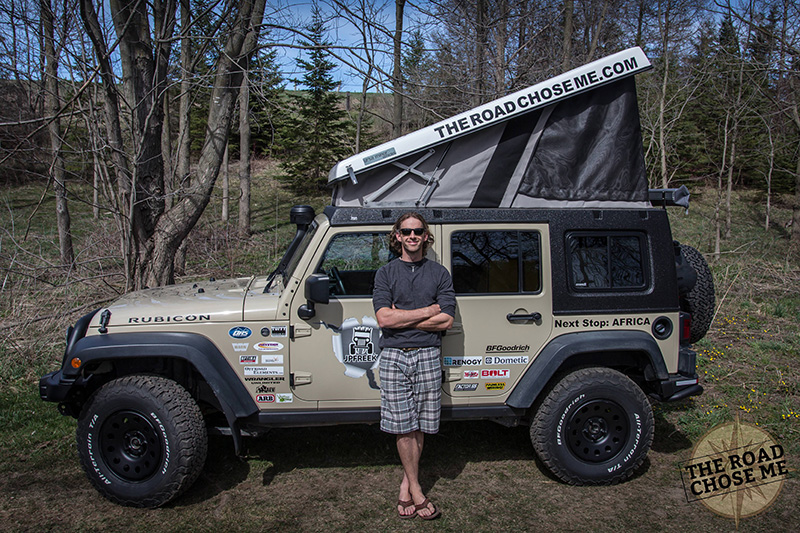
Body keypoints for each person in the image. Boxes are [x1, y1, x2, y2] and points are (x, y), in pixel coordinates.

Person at [372, 212, 455, 520]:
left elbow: (447, 319)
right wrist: (428, 310)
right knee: (402, 424)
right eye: (406, 231)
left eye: (418, 231)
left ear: (425, 236)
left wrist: (403, 318)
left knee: (420, 423)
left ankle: (407, 482)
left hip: (428, 354)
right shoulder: (385, 273)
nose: (412, 235)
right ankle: (418, 489)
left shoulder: (439, 273)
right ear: (397, 236)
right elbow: (384, 319)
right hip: (394, 355)